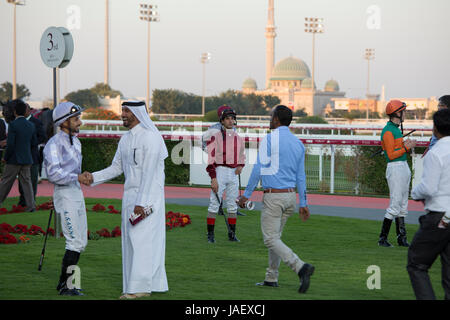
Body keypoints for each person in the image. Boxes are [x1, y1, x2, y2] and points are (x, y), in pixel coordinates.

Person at [86, 101, 169, 299]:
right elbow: (117, 168)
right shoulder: (125, 139)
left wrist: (142, 201)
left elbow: (149, 173)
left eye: (127, 111)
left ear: (138, 113)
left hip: (148, 198)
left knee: (141, 240)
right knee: (131, 241)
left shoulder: (151, 138)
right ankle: (144, 284)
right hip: (130, 196)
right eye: (122, 110)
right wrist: (93, 178)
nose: (122, 114)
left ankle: (140, 289)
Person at [238, 104, 315, 294]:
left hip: (274, 197)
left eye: (271, 116)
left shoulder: (270, 139)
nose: (269, 119)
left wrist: (246, 194)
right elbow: (301, 176)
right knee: (276, 238)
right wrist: (303, 203)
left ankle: (300, 266)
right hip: (290, 197)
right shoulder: (298, 143)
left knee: (270, 239)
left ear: (276, 119)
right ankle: (271, 277)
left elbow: (258, 168)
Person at [43, 101, 90, 296]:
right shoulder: (53, 144)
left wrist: (82, 176)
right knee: (73, 241)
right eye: (76, 118)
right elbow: (53, 174)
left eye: (79, 118)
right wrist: (76, 177)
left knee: (81, 242)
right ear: (63, 122)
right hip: (64, 194)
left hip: (76, 192)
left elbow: (75, 172)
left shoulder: (76, 141)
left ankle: (68, 284)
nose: (79, 122)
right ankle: (67, 286)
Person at [408, 108, 450, 300]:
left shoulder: (437, 152)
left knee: (417, 264)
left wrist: (414, 192)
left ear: (435, 128)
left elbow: (429, 188)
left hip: (439, 215)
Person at [203, 105, 245, 243]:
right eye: (227, 118)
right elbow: (211, 160)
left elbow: (241, 155)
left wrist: (240, 165)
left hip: (233, 173)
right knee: (214, 204)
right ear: (222, 121)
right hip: (219, 171)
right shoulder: (215, 137)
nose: (230, 121)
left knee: (232, 205)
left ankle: (232, 235)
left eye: (232, 118)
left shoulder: (238, 137)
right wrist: (213, 178)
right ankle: (211, 235)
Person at [378, 100, 416, 247]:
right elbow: (391, 155)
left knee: (403, 205)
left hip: (403, 166)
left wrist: (406, 145)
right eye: (404, 111)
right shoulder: (388, 131)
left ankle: (402, 239)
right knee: (395, 204)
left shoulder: (395, 129)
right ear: (397, 113)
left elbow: (397, 150)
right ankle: (382, 239)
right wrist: (406, 148)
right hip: (395, 168)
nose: (405, 114)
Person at [0, 99, 36, 212]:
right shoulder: (31, 125)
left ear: (15, 112)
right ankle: (31, 206)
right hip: (27, 159)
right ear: (25, 112)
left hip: (14, 159)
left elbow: (10, 144)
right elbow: (33, 143)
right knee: (27, 184)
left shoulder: (13, 125)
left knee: (6, 183)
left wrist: (5, 157)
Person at [18, 103, 46, 207]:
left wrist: (30, 144)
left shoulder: (36, 122)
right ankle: (22, 202)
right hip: (20, 158)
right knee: (21, 182)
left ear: (29, 110)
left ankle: (31, 203)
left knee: (32, 181)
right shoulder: (17, 122)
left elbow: (42, 137)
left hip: (32, 157)